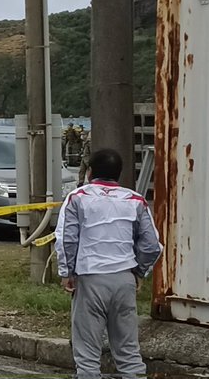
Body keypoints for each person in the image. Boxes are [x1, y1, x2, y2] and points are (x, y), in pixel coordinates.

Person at [55, 148, 161, 377]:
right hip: (124, 280)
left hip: (90, 278)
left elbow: (67, 238)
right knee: (128, 351)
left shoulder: (78, 198)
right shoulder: (135, 200)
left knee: (87, 355)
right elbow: (152, 245)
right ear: (119, 174)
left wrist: (67, 273)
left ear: (90, 171)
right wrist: (138, 272)